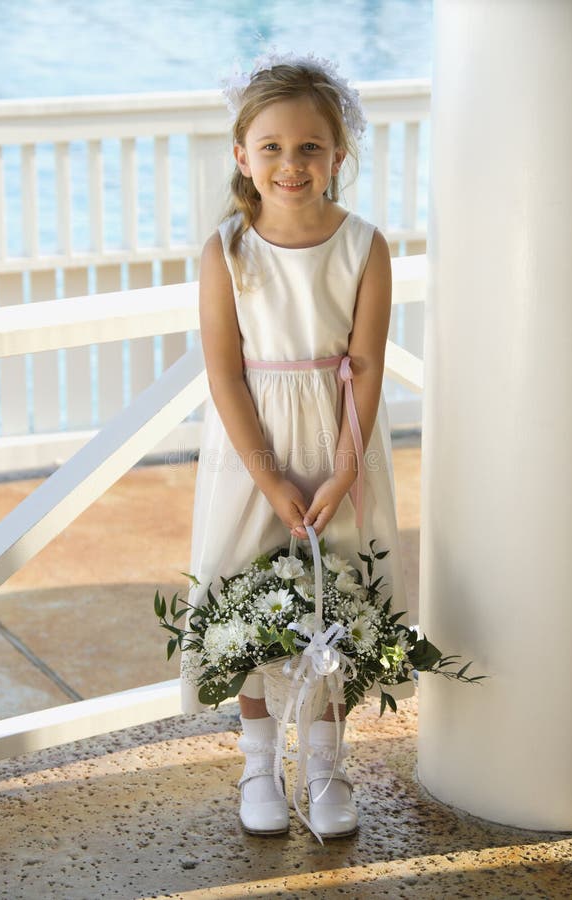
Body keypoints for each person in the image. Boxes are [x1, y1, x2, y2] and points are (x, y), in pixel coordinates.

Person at [180, 51, 414, 839]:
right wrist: (269, 477)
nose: (291, 163)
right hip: (256, 449)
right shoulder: (227, 252)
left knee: (333, 594)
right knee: (248, 589)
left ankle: (325, 761)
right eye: (272, 147)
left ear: (338, 156)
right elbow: (223, 373)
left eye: (310, 147)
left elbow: (369, 360)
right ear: (242, 155)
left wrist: (344, 466)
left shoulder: (364, 245)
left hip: (336, 437)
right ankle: (257, 759)